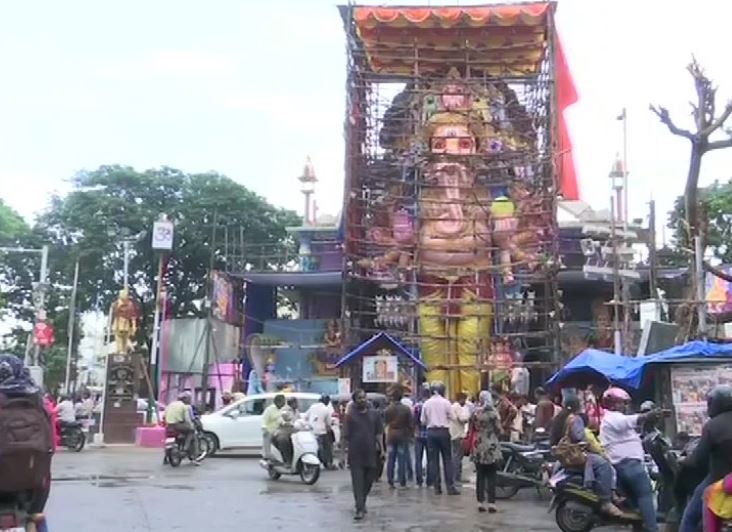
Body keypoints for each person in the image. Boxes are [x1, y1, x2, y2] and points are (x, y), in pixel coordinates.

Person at [600, 387, 662, 532]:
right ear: (613, 404)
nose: (625, 406)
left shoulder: (614, 418)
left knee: (636, 504)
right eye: (622, 403)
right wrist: (646, 416)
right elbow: (628, 421)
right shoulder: (613, 417)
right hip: (628, 464)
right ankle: (652, 528)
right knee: (645, 495)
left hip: (625, 465)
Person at [553, 395, 624, 518]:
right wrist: (595, 447)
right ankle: (606, 500)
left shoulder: (562, 417)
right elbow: (580, 437)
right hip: (576, 453)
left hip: (568, 454)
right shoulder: (575, 419)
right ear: (576, 405)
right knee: (604, 464)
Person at [679, 384, 732, 532]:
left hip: (719, 479)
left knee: (690, 516)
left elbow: (697, 460)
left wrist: (682, 460)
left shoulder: (712, 426)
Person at [343, 389, 384, 521]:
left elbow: (379, 433)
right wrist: (342, 455)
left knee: (369, 481)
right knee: (358, 482)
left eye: (364, 398)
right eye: (359, 398)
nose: (362, 400)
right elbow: (345, 436)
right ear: (355, 401)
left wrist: (382, 449)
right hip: (355, 453)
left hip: (371, 453)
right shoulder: (350, 415)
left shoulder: (374, 414)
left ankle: (362, 501)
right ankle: (359, 508)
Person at [421, 382, 458, 495]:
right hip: (443, 432)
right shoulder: (446, 402)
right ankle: (450, 486)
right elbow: (453, 417)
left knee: (433, 460)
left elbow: (422, 421)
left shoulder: (426, 403)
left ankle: (437, 487)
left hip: (431, 433)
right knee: (447, 459)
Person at [471, 390, 502, 513]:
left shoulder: (476, 413)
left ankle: (480, 502)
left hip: (479, 445)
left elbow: (473, 427)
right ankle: (491, 503)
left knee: (480, 475)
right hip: (492, 445)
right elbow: (498, 429)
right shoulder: (494, 413)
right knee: (492, 476)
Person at [384, 386, 414, 488]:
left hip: (391, 434)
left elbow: (385, 422)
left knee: (391, 459)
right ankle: (402, 480)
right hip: (402, 434)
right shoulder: (406, 409)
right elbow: (410, 424)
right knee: (402, 458)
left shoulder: (388, 409)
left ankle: (390, 480)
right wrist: (410, 435)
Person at [164, 392, 200, 464]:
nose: (189, 400)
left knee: (168, 441)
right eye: (189, 399)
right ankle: (185, 448)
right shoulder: (184, 406)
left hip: (168, 425)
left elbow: (165, 415)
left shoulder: (170, 405)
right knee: (191, 431)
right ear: (185, 399)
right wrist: (191, 426)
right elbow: (187, 419)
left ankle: (166, 457)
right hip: (178, 425)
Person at [306, 394, 335, 469]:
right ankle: (328, 462)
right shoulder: (326, 409)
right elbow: (328, 423)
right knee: (327, 447)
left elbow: (306, 417)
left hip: (311, 431)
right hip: (321, 432)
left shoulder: (312, 406)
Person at [413, 385, 433, 488]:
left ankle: (419, 481)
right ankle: (430, 482)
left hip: (419, 434)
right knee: (430, 458)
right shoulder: (431, 405)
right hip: (430, 434)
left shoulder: (417, 406)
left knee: (418, 458)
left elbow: (414, 420)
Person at [450, 392, 470, 483]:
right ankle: (456, 476)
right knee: (458, 456)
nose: (465, 402)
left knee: (456, 455)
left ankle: (455, 476)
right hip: (458, 434)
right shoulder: (457, 407)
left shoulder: (453, 406)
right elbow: (462, 419)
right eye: (464, 400)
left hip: (454, 434)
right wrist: (469, 416)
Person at [261, 394, 285, 460]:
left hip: (279, 430)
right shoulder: (269, 410)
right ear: (277, 402)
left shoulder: (282, 409)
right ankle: (268, 456)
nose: (283, 404)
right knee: (268, 440)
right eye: (282, 402)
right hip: (270, 431)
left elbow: (281, 419)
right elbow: (264, 420)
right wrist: (264, 428)